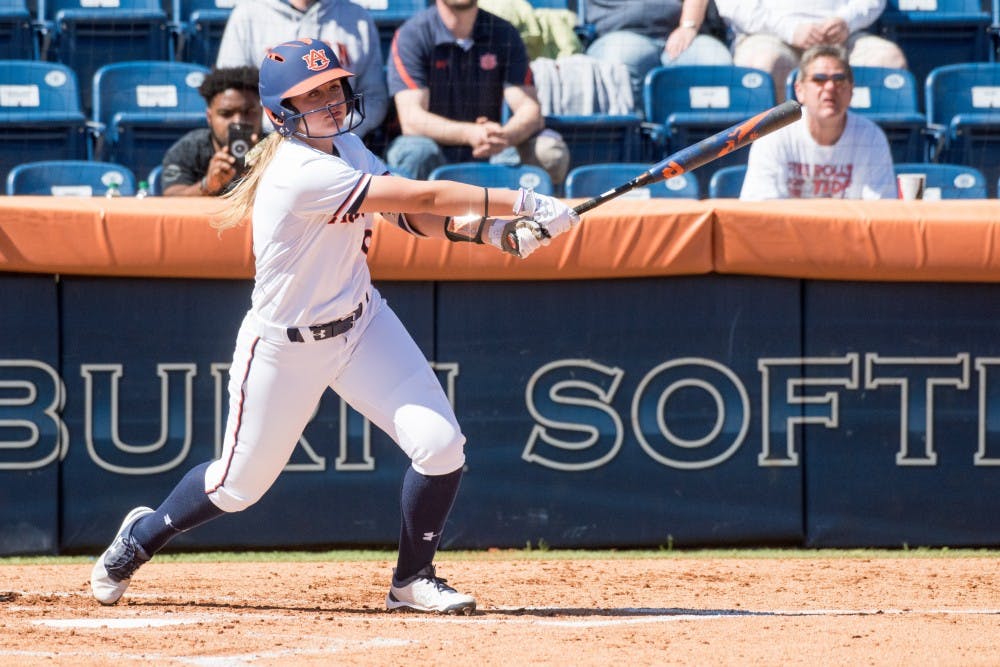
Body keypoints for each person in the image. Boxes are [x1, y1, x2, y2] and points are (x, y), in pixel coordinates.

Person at [89, 37, 580, 614]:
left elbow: (405, 211)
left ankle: (412, 580)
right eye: (309, 94)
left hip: (361, 324)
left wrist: (489, 232)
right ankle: (139, 537)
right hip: (282, 348)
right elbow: (423, 190)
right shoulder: (297, 171)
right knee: (236, 487)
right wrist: (518, 200)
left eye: (331, 87)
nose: (326, 101)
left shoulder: (344, 145)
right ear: (280, 112)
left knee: (441, 446)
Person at [385, 0, 570, 185]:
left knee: (549, 153)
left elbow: (529, 109)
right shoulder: (412, 35)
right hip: (433, 145)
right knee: (418, 153)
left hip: (491, 145)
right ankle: (418, 213)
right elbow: (412, 121)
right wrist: (470, 133)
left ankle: (537, 213)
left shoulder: (504, 32)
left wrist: (505, 136)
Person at [740, 45, 896, 200]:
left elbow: (881, 208)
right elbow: (759, 208)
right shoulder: (774, 135)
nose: (830, 87)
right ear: (800, 90)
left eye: (839, 79)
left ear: (851, 91)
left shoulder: (871, 137)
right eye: (819, 79)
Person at [215, 0, 388, 139]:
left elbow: (374, 97)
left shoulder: (357, 17)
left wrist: (335, 126)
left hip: (344, 136)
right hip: (270, 139)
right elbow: (231, 94)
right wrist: (293, 127)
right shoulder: (248, 14)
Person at [715, 0, 907, 103]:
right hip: (771, 35)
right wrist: (790, 29)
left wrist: (847, 21)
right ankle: (781, 153)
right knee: (764, 64)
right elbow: (734, 5)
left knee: (889, 61)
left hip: (842, 35)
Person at [583, 0, 733, 106]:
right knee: (622, 63)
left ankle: (703, 147)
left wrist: (688, 26)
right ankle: (634, 146)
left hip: (683, 32)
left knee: (716, 63)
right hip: (621, 33)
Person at [160, 66, 263, 197]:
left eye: (248, 112)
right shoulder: (189, 148)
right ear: (209, 117)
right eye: (226, 113)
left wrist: (265, 178)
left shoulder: (278, 149)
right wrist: (207, 186)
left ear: (261, 113)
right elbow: (170, 198)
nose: (238, 121)